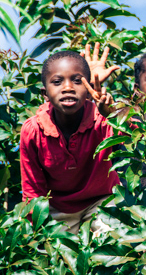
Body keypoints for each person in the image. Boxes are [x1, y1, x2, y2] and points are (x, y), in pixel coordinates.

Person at [19, 49, 120, 234]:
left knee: (110, 238)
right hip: (58, 209)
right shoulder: (32, 131)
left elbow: (134, 142)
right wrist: (37, 232)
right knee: (57, 254)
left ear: (89, 90)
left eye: (77, 81)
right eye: (57, 82)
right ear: (45, 93)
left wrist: (114, 115)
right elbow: (32, 189)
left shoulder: (103, 118)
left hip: (103, 200)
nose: (68, 88)